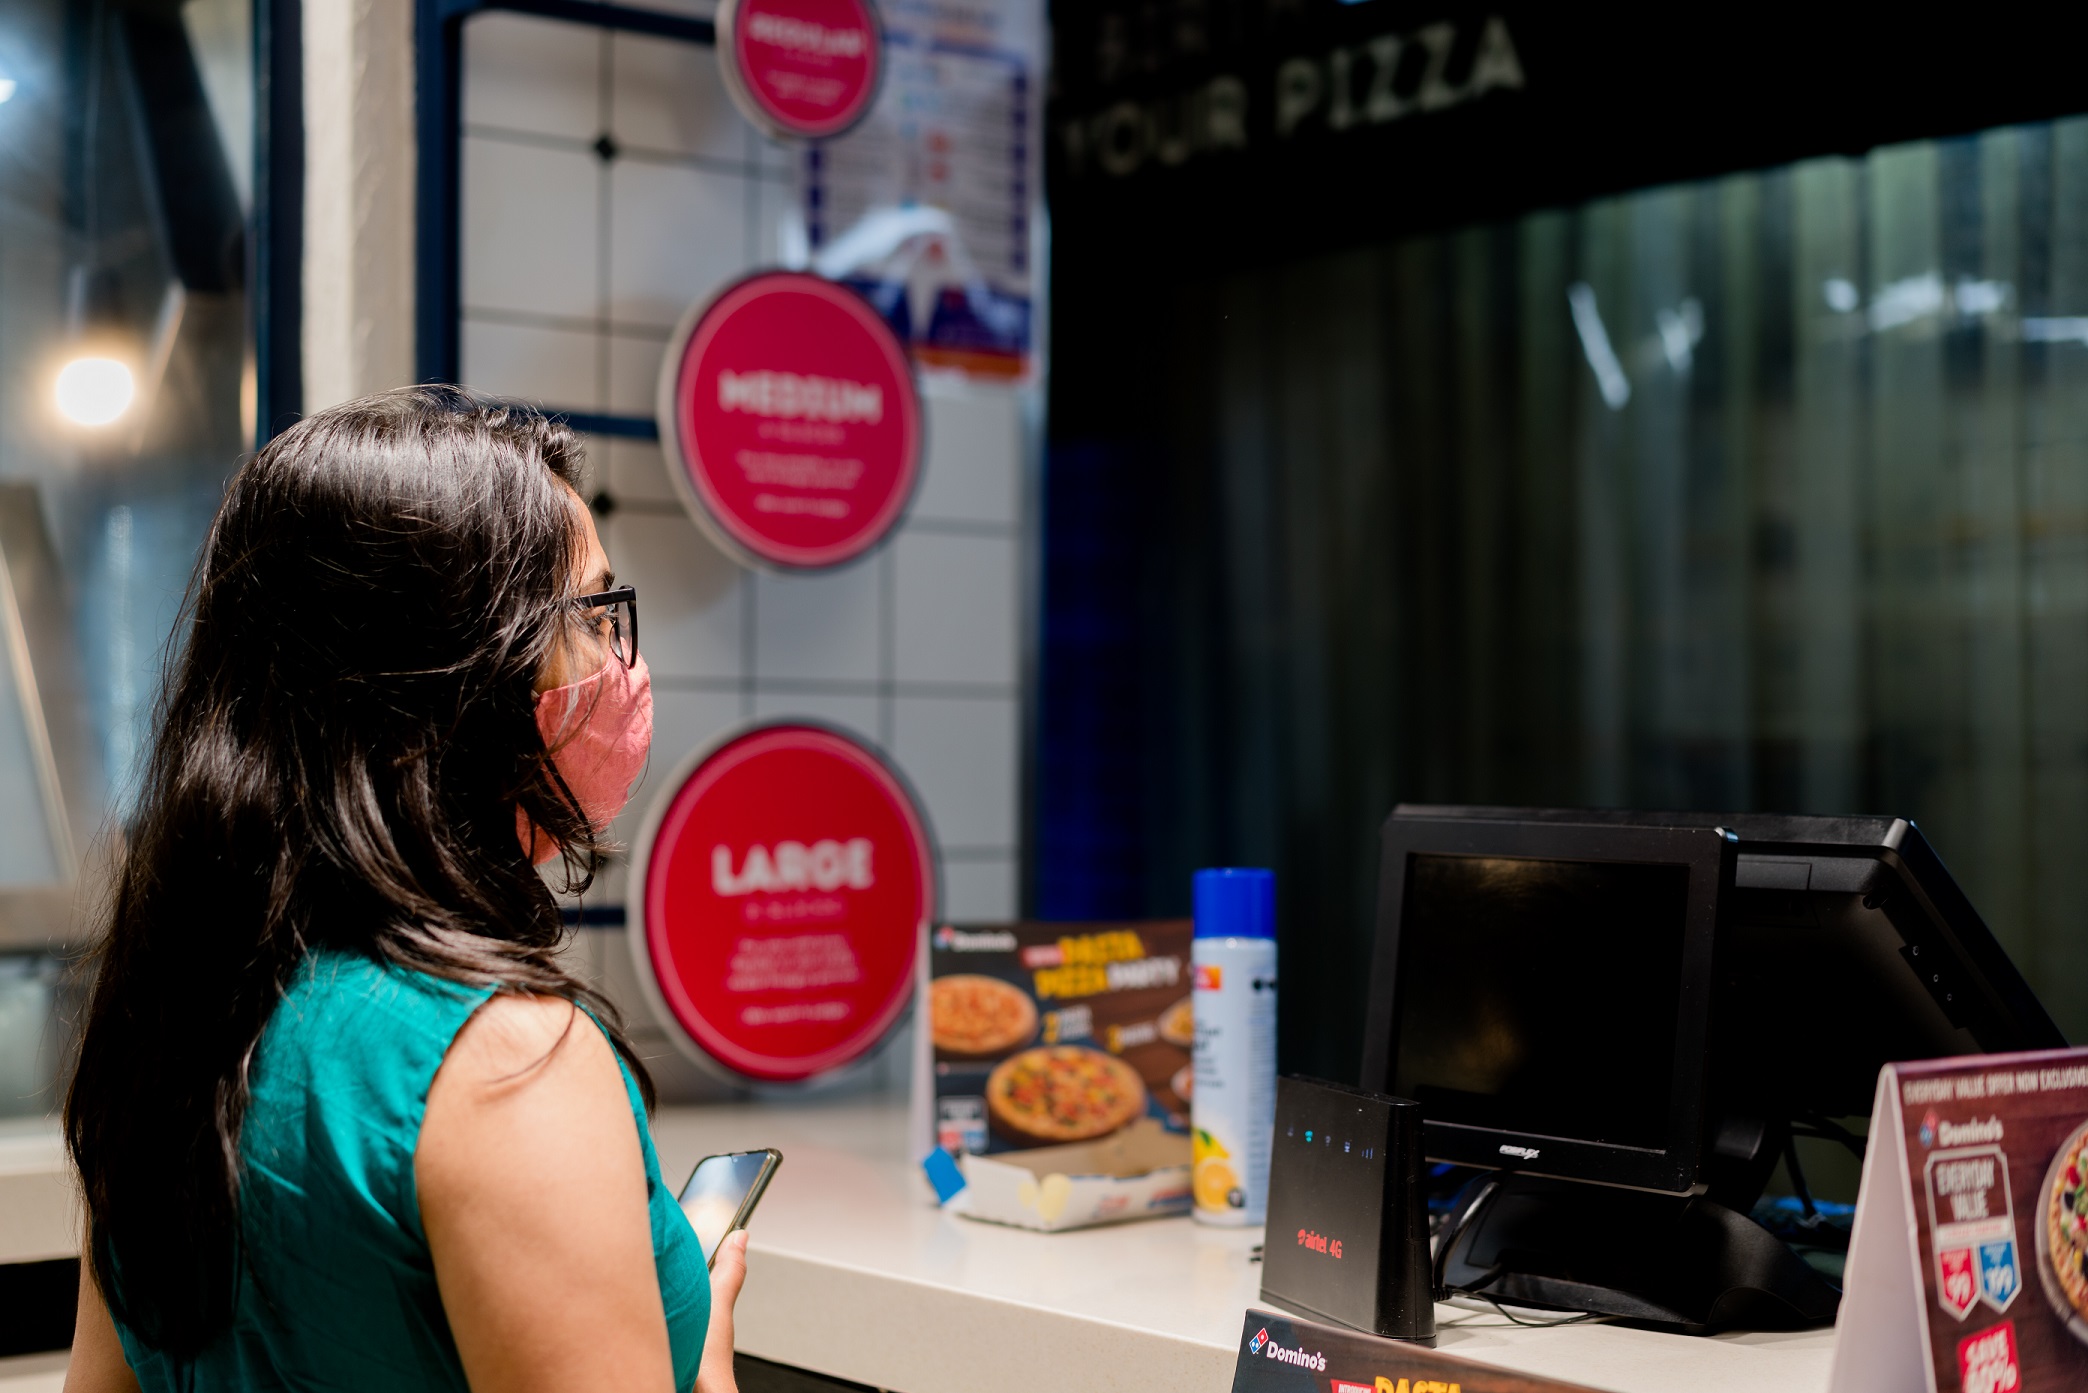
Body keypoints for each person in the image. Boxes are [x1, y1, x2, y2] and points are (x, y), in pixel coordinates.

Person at [61, 387, 745, 1392]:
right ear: (449, 684)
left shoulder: (174, 1029)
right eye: (593, 615)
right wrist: (710, 1361)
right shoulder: (511, 1064)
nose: (619, 664)